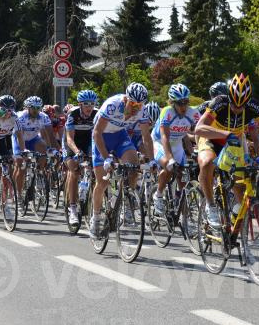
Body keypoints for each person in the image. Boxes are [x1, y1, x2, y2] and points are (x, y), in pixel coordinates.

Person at [194, 73, 259, 229]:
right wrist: (225, 134)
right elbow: (199, 128)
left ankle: (236, 227)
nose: (237, 109)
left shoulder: (255, 107)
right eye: (234, 104)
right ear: (229, 97)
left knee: (240, 186)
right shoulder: (219, 102)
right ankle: (210, 206)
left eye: (242, 106)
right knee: (206, 163)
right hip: (213, 138)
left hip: (233, 144)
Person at [89, 82, 153, 238]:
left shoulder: (142, 111)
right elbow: (96, 133)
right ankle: (96, 217)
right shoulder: (112, 105)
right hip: (101, 137)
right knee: (102, 182)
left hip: (119, 135)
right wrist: (106, 158)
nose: (135, 108)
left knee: (133, 167)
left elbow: (146, 137)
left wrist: (152, 161)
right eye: (132, 104)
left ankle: (126, 202)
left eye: (139, 105)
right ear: (125, 99)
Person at [152, 83, 200, 215]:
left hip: (177, 142)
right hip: (159, 142)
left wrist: (196, 152)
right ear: (172, 103)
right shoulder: (167, 112)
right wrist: (170, 158)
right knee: (169, 166)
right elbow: (164, 137)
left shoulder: (193, 113)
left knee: (182, 175)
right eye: (179, 103)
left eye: (186, 102)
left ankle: (182, 209)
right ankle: (158, 194)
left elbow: (198, 134)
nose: (183, 106)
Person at [64, 90, 98, 227]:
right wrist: (77, 152)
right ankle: (72, 208)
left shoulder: (97, 113)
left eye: (92, 104)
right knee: (74, 169)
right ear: (80, 104)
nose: (89, 107)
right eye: (86, 104)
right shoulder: (73, 114)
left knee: (97, 169)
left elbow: (98, 135)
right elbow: (69, 139)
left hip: (89, 141)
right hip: (72, 143)